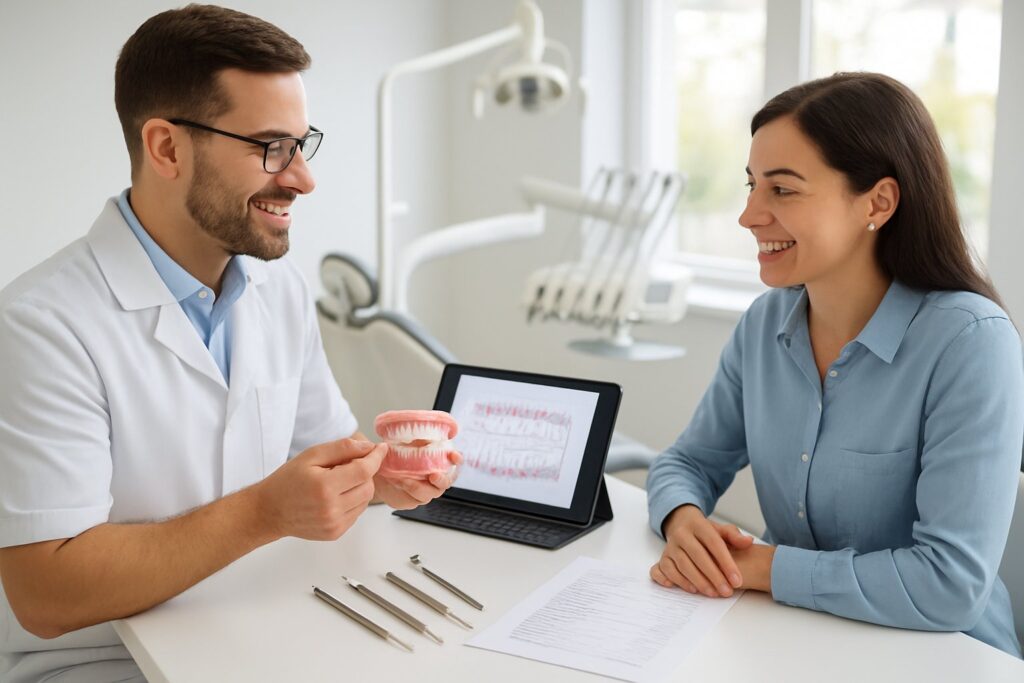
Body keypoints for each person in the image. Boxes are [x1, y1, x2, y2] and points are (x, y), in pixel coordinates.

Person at [0, 6, 458, 681]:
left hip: (259, 629)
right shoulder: (41, 323)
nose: (302, 177)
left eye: (304, 144)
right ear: (166, 148)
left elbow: (315, 457)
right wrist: (264, 511)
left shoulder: (281, 290)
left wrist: (377, 480)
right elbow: (45, 592)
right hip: (103, 660)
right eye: (271, 146)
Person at [646, 72, 1023, 657]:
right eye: (751, 186)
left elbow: (951, 586)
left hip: (946, 657)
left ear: (877, 202)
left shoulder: (970, 342)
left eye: (783, 190)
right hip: (790, 640)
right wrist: (683, 519)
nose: (748, 215)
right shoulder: (763, 324)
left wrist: (764, 568)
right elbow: (688, 461)